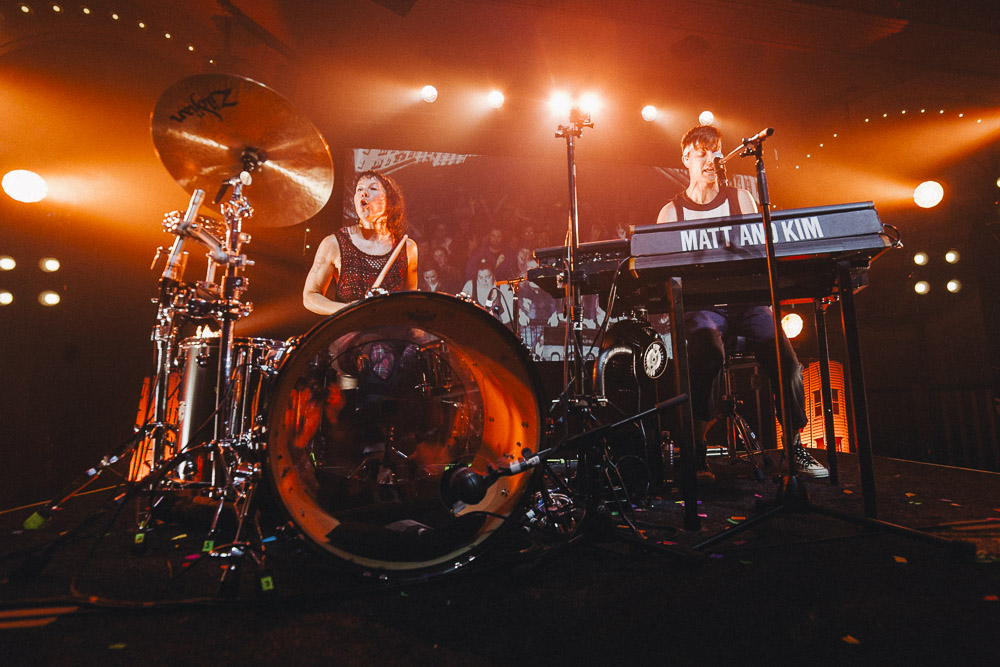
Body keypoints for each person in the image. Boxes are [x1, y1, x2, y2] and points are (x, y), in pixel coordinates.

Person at [656, 124, 827, 480]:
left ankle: (794, 447)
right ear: (686, 157)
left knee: (786, 358)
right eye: (701, 152)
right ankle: (698, 449)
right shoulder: (672, 212)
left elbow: (761, 254)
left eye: (715, 152)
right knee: (707, 350)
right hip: (703, 307)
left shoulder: (741, 200)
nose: (709, 159)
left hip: (747, 304)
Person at [303, 170, 418, 315]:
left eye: (373, 188)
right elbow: (311, 296)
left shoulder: (407, 248)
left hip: (392, 333)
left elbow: (410, 301)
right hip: (350, 331)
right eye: (359, 189)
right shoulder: (334, 243)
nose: (364, 193)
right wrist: (348, 310)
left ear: (390, 201)